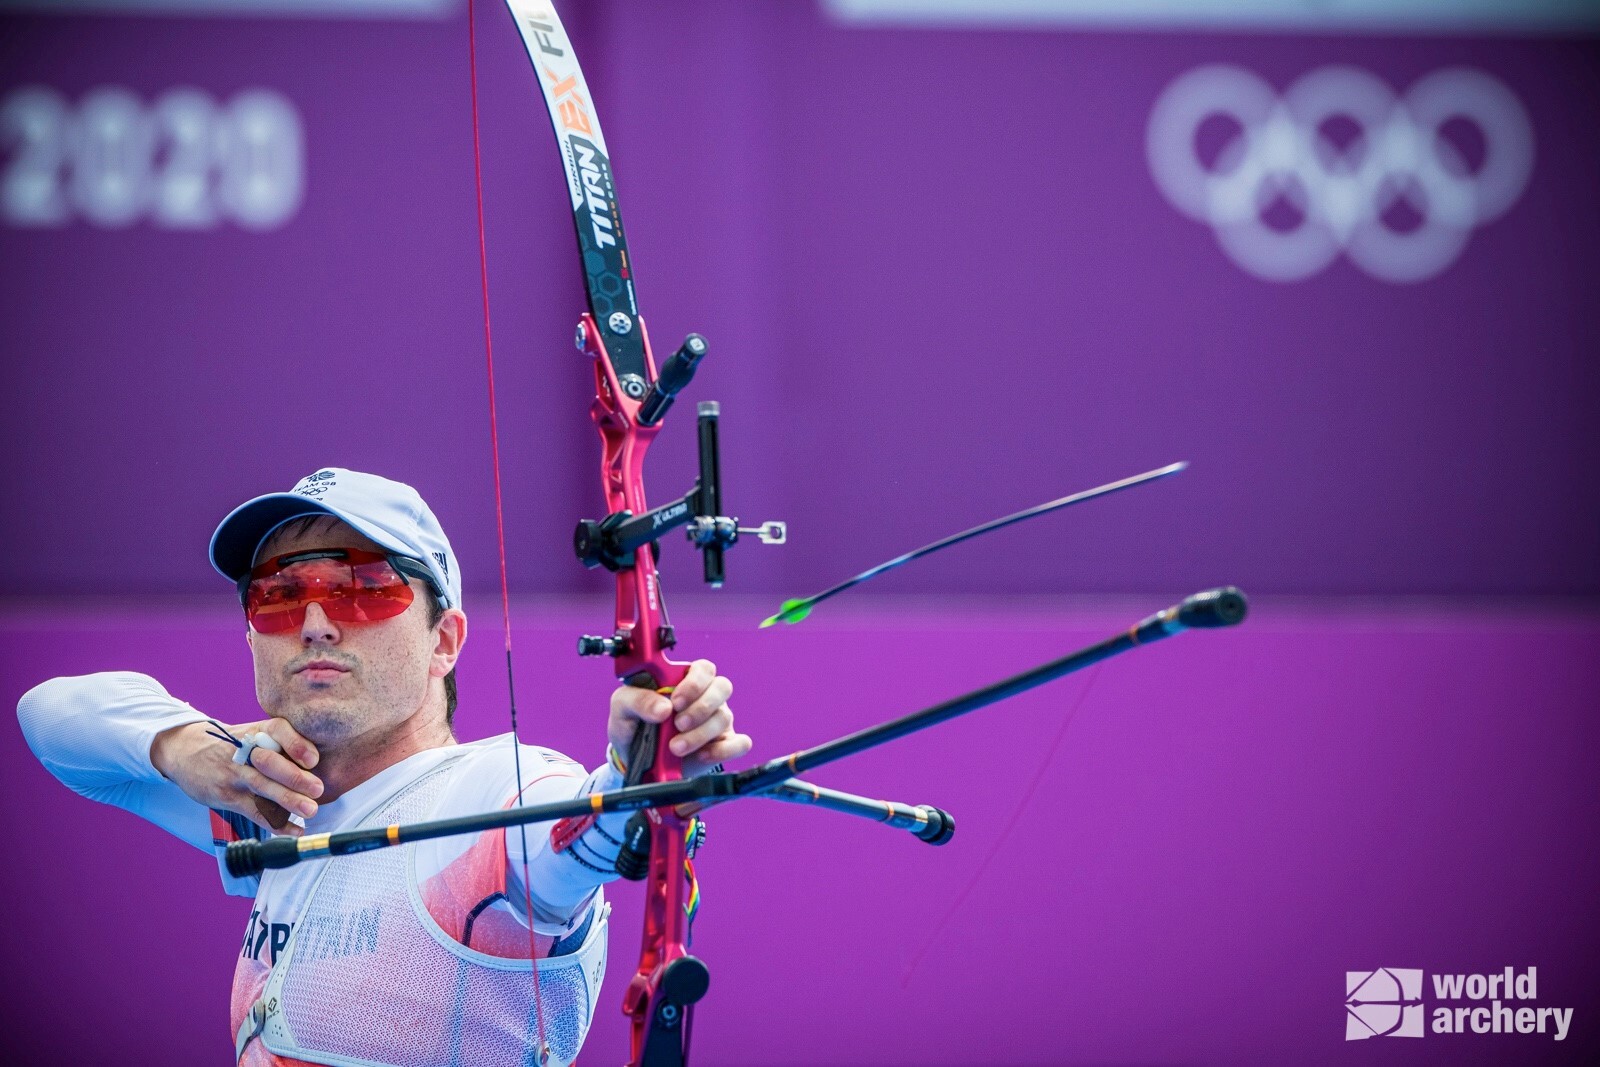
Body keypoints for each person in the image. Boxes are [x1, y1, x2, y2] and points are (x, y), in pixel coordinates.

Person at [17, 467, 750, 1067]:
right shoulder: (271, 805)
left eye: (362, 587)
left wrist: (637, 770)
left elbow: (577, 832)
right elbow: (47, 716)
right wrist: (186, 747)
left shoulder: (493, 791)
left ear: (445, 641)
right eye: (276, 594)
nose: (313, 621)